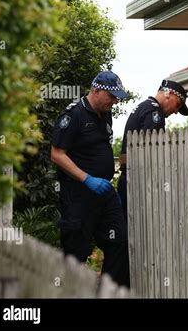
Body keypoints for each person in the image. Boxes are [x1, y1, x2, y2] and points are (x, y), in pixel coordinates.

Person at [51, 71, 130, 287]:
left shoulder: (105, 114)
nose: (114, 102)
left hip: (103, 194)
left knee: (119, 241)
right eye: (111, 97)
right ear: (96, 91)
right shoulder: (73, 115)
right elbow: (57, 154)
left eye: (116, 98)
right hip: (79, 193)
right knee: (76, 252)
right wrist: (87, 179)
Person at [117, 80, 188, 218]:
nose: (175, 111)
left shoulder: (144, 106)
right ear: (168, 94)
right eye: (177, 104)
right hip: (138, 182)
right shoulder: (154, 113)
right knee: (139, 230)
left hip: (129, 178)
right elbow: (150, 154)